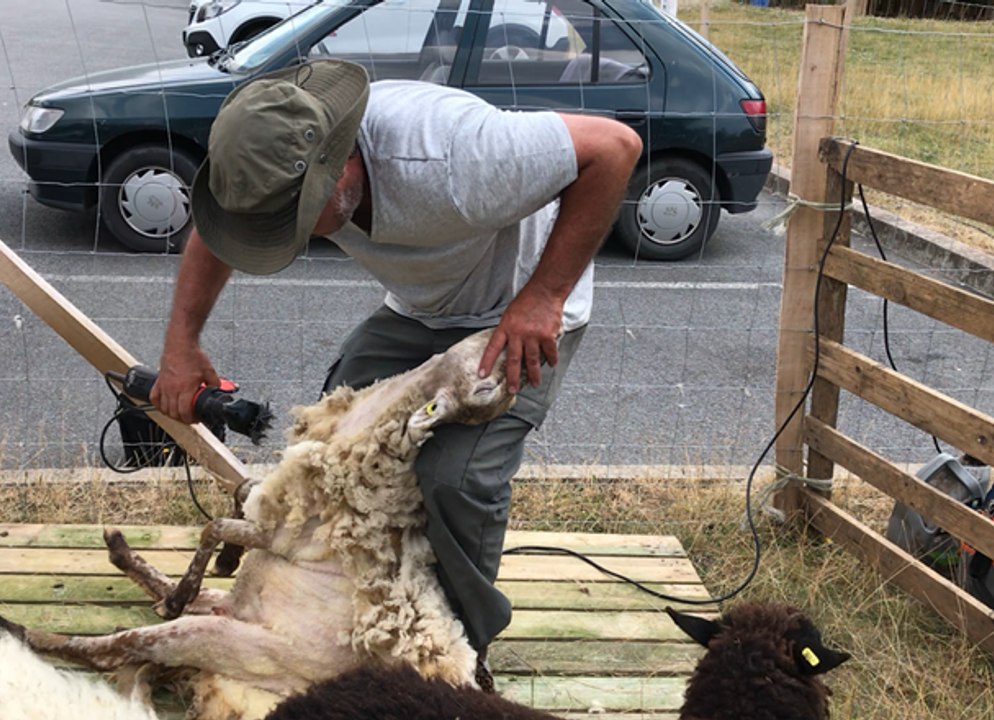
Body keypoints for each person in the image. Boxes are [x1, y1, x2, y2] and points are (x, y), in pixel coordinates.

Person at [150, 59, 641, 689]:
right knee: (330, 451)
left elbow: (614, 148)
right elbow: (220, 234)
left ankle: (455, 655)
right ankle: (354, 600)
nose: (291, 240)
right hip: (423, 307)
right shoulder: (270, 160)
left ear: (341, 163)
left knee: (455, 476)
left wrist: (544, 295)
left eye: (296, 217)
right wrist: (181, 345)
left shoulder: (456, 157)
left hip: (517, 310)